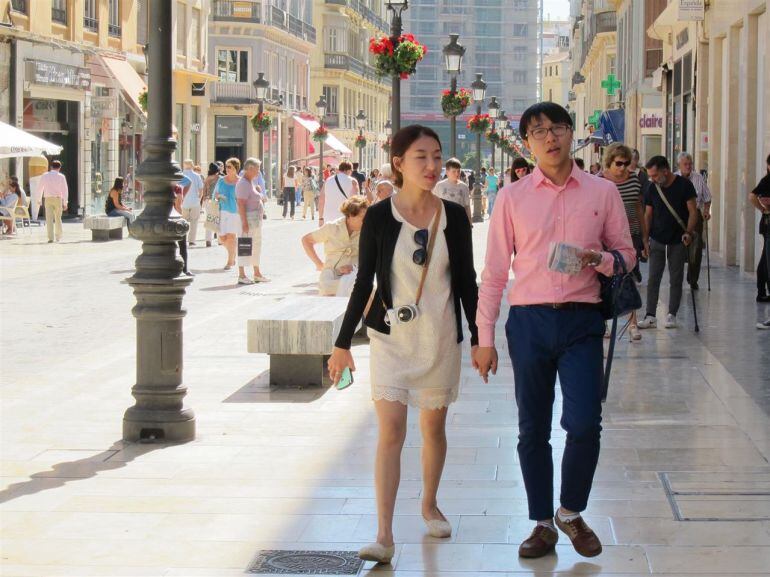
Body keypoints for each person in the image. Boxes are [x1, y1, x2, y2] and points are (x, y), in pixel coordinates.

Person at [474, 102, 635, 560]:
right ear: (526, 143)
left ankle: (570, 510)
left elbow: (627, 254)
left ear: (571, 134)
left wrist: (598, 259)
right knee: (532, 429)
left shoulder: (602, 193)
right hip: (528, 322)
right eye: (539, 131)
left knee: (585, 422)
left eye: (557, 128)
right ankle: (542, 523)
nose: (550, 138)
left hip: (582, 319)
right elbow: (493, 273)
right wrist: (485, 338)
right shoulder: (512, 197)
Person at [327, 125, 479, 564]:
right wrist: (342, 344)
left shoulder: (453, 216)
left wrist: (478, 337)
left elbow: (467, 281)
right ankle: (384, 534)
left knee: (433, 429)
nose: (431, 166)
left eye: (436, 156)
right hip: (392, 339)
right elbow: (363, 282)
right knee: (391, 432)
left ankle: (429, 503)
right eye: (421, 157)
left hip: (438, 339)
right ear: (399, 163)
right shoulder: (378, 216)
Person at [638, 156, 698, 330]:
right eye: (650, 176)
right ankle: (650, 315)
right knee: (653, 278)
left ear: (665, 171)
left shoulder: (684, 185)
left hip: (678, 239)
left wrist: (688, 232)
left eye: (655, 175)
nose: (653, 179)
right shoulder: (652, 188)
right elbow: (648, 215)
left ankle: (672, 313)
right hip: (657, 238)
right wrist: (645, 240)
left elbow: (693, 212)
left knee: (676, 277)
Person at [599, 143, 645, 341]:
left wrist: (644, 237)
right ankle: (603, 324)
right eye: (619, 163)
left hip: (630, 234)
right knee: (603, 280)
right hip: (604, 237)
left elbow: (639, 208)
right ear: (609, 162)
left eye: (627, 163)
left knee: (629, 277)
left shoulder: (634, 179)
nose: (623, 168)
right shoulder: (598, 181)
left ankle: (633, 323)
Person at [302, 195, 369, 296]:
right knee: (327, 289)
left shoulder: (367, 231)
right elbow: (306, 240)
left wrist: (355, 267)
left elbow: (372, 257)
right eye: (362, 218)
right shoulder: (332, 228)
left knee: (368, 290)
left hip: (354, 276)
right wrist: (319, 264)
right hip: (331, 277)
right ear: (350, 215)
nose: (366, 221)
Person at [676, 152, 712, 290]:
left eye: (690, 164)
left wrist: (706, 211)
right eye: (685, 164)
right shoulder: (674, 178)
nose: (688, 166)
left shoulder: (698, 178)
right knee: (677, 248)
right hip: (678, 216)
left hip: (695, 214)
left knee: (696, 248)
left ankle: (693, 279)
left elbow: (707, 198)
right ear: (679, 165)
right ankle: (677, 277)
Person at [236, 157, 269, 285]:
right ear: (250, 168)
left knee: (256, 244)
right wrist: (244, 222)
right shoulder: (243, 183)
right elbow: (241, 203)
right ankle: (242, 275)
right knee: (245, 244)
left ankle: (257, 272)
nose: (259, 172)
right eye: (257, 169)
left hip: (255, 219)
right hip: (248, 219)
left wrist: (259, 193)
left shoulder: (251, 182)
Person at [213, 158, 242, 270]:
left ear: (236, 168)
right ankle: (233, 252)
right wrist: (219, 196)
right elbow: (215, 195)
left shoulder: (240, 181)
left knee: (231, 237)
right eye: (226, 166)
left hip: (235, 213)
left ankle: (230, 261)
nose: (227, 169)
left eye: (229, 167)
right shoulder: (221, 180)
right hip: (222, 211)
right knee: (221, 238)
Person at [749, 153, 770, 302]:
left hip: (766, 223)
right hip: (768, 224)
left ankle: (761, 291)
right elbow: (752, 196)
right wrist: (763, 209)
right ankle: (761, 290)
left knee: (765, 259)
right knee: (766, 260)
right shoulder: (767, 180)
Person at [320, 160, 359, 225]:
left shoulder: (328, 180)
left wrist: (321, 218)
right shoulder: (353, 181)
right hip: (344, 218)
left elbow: (321, 200)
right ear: (349, 170)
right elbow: (355, 201)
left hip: (328, 218)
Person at [39, 160, 68, 243]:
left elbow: (40, 188)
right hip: (58, 199)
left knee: (49, 218)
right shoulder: (61, 176)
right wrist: (65, 202)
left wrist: (39, 199)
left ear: (51, 167)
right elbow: (65, 190)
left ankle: (50, 238)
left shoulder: (45, 175)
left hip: (48, 199)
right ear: (59, 168)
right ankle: (58, 237)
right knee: (58, 218)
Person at [180, 159, 205, 246]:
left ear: (184, 165)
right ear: (192, 165)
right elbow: (201, 189)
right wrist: (199, 198)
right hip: (195, 202)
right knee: (194, 222)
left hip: (183, 202)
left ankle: (182, 239)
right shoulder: (197, 176)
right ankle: (191, 241)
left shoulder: (180, 175)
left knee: (183, 221)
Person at [202, 163, 221, 247]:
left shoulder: (207, 178)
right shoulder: (219, 178)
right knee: (218, 219)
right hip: (216, 200)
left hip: (207, 200)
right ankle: (220, 239)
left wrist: (203, 201)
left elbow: (204, 191)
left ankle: (208, 240)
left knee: (209, 219)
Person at [27, 156, 47, 222]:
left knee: (34, 196)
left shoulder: (32, 159)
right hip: (39, 178)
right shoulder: (44, 159)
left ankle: (34, 217)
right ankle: (34, 217)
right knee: (37, 197)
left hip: (33, 178)